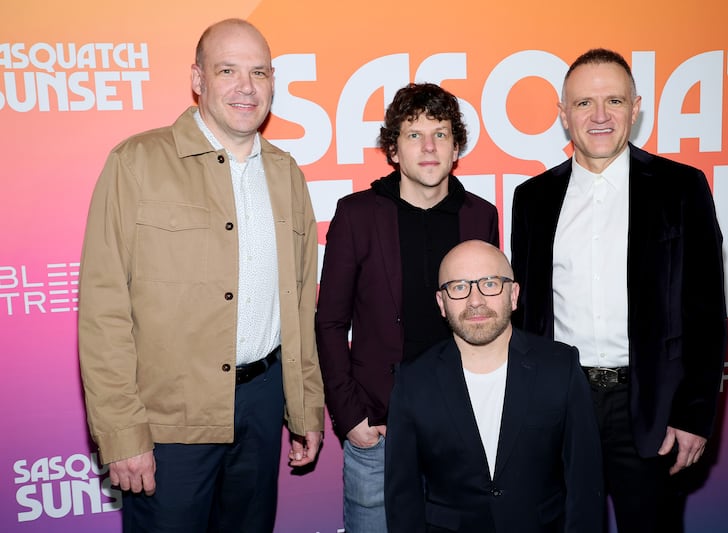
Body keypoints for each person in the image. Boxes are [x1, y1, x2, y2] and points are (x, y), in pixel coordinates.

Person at [78, 18, 324, 532]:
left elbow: (301, 303)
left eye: (259, 72)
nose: (246, 87)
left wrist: (304, 409)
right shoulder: (136, 163)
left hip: (261, 404)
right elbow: (104, 312)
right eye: (228, 70)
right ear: (198, 78)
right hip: (170, 419)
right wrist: (122, 433)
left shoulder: (286, 174)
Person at [511, 48, 727, 533]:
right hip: (560, 404)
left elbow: (706, 312)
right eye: (584, 104)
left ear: (636, 107)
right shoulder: (533, 198)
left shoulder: (682, 187)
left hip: (650, 407)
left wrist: (695, 415)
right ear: (563, 115)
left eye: (614, 100)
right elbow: (526, 319)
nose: (601, 116)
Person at [315, 83, 499, 532]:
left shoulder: (480, 215)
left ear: (457, 147)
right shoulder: (358, 214)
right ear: (393, 149)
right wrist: (350, 415)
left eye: (440, 133)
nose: (429, 147)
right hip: (379, 429)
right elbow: (329, 322)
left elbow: (493, 319)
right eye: (414, 135)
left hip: (464, 429)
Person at [384, 240, 603, 533]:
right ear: (442, 304)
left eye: (489, 283)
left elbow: (585, 484)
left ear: (513, 295)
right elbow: (403, 499)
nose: (475, 300)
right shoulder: (413, 381)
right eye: (459, 286)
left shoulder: (560, 368)